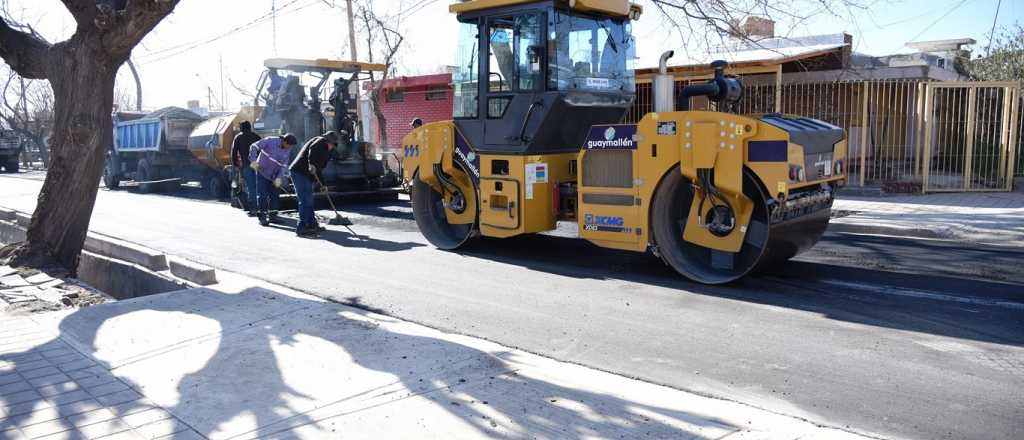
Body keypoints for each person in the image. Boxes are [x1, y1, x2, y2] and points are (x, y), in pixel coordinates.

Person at [289, 131, 340, 238]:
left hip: (307, 174)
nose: (330, 146)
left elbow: (319, 169)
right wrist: (311, 163)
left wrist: (323, 184)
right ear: (326, 140)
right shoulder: (319, 141)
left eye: (333, 144)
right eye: (330, 143)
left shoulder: (327, 151)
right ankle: (302, 227)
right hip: (299, 172)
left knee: (309, 199)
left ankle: (312, 224)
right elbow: (312, 149)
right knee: (304, 200)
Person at [249, 133, 297, 226]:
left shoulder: (288, 149)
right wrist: (253, 160)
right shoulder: (270, 141)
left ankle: (273, 216)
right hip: (262, 173)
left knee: (275, 196)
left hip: (274, 176)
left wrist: (279, 178)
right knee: (262, 195)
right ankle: (262, 217)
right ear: (284, 141)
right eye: (289, 145)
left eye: (291, 146)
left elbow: (283, 165)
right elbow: (254, 146)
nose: (289, 148)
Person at [231, 121, 261, 216]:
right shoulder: (256, 136)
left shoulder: (238, 137)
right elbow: (263, 149)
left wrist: (235, 165)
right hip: (257, 164)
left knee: (251, 187)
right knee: (259, 186)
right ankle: (262, 208)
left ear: (241, 128)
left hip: (246, 165)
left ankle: (253, 209)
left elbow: (234, 152)